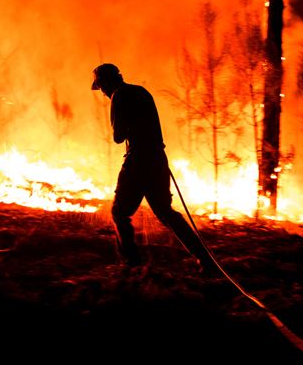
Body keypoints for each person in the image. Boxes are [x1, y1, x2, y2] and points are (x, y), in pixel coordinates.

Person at [91, 63, 217, 273]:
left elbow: (118, 136)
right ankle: (205, 260)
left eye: (101, 86)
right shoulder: (141, 92)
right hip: (158, 159)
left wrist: (119, 120)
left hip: (138, 160)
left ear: (105, 82)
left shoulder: (118, 96)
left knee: (120, 212)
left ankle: (131, 263)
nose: (102, 92)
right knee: (166, 212)